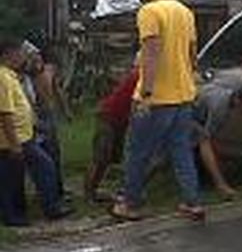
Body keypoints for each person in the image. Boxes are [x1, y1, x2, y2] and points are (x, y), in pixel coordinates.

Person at [111, 0, 203, 222]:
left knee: (137, 151)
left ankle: (130, 203)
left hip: (157, 98)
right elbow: (191, 55)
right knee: (181, 150)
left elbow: (150, 53)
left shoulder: (149, 12)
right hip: (183, 96)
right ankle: (193, 202)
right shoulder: (185, 12)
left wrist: (146, 95)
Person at [0, 37, 72, 227]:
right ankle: (18, 215)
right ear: (9, 55)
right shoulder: (3, 77)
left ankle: (32, 210)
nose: (23, 57)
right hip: (14, 139)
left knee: (20, 175)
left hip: (24, 135)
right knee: (22, 174)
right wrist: (14, 143)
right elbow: (5, 113)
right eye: (19, 53)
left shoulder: (11, 76)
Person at [192, 67, 242, 198]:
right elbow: (205, 142)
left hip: (196, 96)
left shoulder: (237, 86)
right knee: (190, 145)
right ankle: (215, 185)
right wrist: (221, 184)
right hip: (183, 112)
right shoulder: (220, 109)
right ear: (240, 102)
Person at [84, 69, 139, 204]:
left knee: (111, 158)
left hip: (120, 119)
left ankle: (96, 189)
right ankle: (89, 192)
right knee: (101, 157)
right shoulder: (141, 76)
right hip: (108, 116)